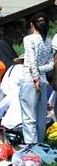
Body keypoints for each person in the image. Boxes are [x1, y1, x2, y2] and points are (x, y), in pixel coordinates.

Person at [20, 15, 55, 148]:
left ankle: (31, 143)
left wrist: (35, 77)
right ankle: (40, 142)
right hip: (44, 80)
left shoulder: (28, 39)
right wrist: (40, 72)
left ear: (32, 25)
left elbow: (31, 60)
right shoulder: (49, 41)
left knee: (29, 114)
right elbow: (51, 64)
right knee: (41, 115)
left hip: (30, 80)